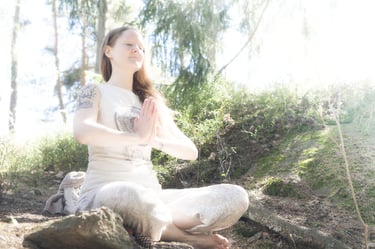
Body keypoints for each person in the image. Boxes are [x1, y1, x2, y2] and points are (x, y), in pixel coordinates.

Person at [73, 26, 249, 249]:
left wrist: (153, 140)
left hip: (153, 198)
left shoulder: (147, 100)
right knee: (128, 194)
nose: (137, 50)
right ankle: (187, 237)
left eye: (141, 48)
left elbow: (190, 151)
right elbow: (83, 131)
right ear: (108, 51)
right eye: (129, 45)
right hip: (105, 193)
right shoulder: (94, 91)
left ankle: (154, 225)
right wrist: (136, 136)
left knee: (235, 196)